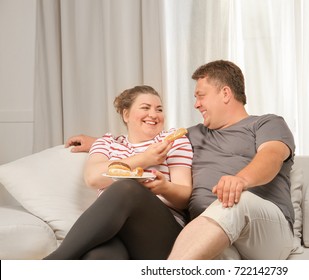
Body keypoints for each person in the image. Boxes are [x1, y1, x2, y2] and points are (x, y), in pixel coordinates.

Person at [65, 60, 295, 260]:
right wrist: (94, 141)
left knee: (235, 202)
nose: (196, 104)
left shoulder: (265, 123)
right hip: (211, 233)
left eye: (200, 96)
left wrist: (241, 180)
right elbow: (147, 138)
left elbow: (271, 157)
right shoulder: (194, 134)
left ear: (225, 93)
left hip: (263, 229)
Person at [44, 85, 193, 260]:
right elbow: (93, 178)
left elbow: (185, 197)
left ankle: (51, 263)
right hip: (114, 232)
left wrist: (164, 187)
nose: (153, 114)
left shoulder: (173, 141)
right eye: (145, 108)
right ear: (126, 114)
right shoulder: (106, 143)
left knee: (127, 188)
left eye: (159, 109)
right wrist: (146, 158)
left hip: (160, 236)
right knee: (97, 257)